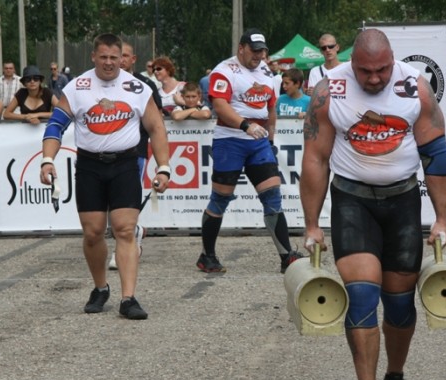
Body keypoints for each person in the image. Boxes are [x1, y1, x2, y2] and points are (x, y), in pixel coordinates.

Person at [300, 28, 446, 380]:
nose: (374, 79)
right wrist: (312, 224)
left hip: (403, 202)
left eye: (381, 70)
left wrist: (441, 219)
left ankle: (395, 375)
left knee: (400, 304)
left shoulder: (414, 87)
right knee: (362, 297)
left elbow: (435, 154)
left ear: (392, 60)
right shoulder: (328, 90)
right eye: (365, 71)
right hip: (353, 202)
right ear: (352, 62)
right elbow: (316, 158)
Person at [39, 33, 171, 320]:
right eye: (104, 57)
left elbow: (156, 128)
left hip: (124, 164)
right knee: (93, 232)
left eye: (115, 57)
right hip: (89, 166)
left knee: (125, 230)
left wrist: (164, 166)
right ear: (93, 57)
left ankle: (129, 298)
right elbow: (55, 126)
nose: (109, 63)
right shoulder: (77, 87)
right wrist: (47, 159)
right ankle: (101, 288)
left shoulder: (136, 88)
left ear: (121, 57)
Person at [196, 28, 302, 274]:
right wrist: (245, 124)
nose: (259, 55)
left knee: (272, 197)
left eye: (263, 51)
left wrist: (271, 140)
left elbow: (271, 106)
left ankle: (286, 257)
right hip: (230, 140)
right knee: (220, 199)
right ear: (241, 48)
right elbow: (220, 106)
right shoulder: (224, 71)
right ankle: (207, 255)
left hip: (259, 142)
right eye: (255, 51)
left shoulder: (266, 70)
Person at [106, 41, 165, 271]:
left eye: (125, 56)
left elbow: (157, 120)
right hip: (104, 152)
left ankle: (122, 245)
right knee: (109, 202)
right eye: (117, 55)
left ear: (133, 59)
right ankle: (136, 231)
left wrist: (163, 161)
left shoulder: (145, 84)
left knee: (125, 199)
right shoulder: (101, 83)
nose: (120, 60)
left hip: (135, 150)